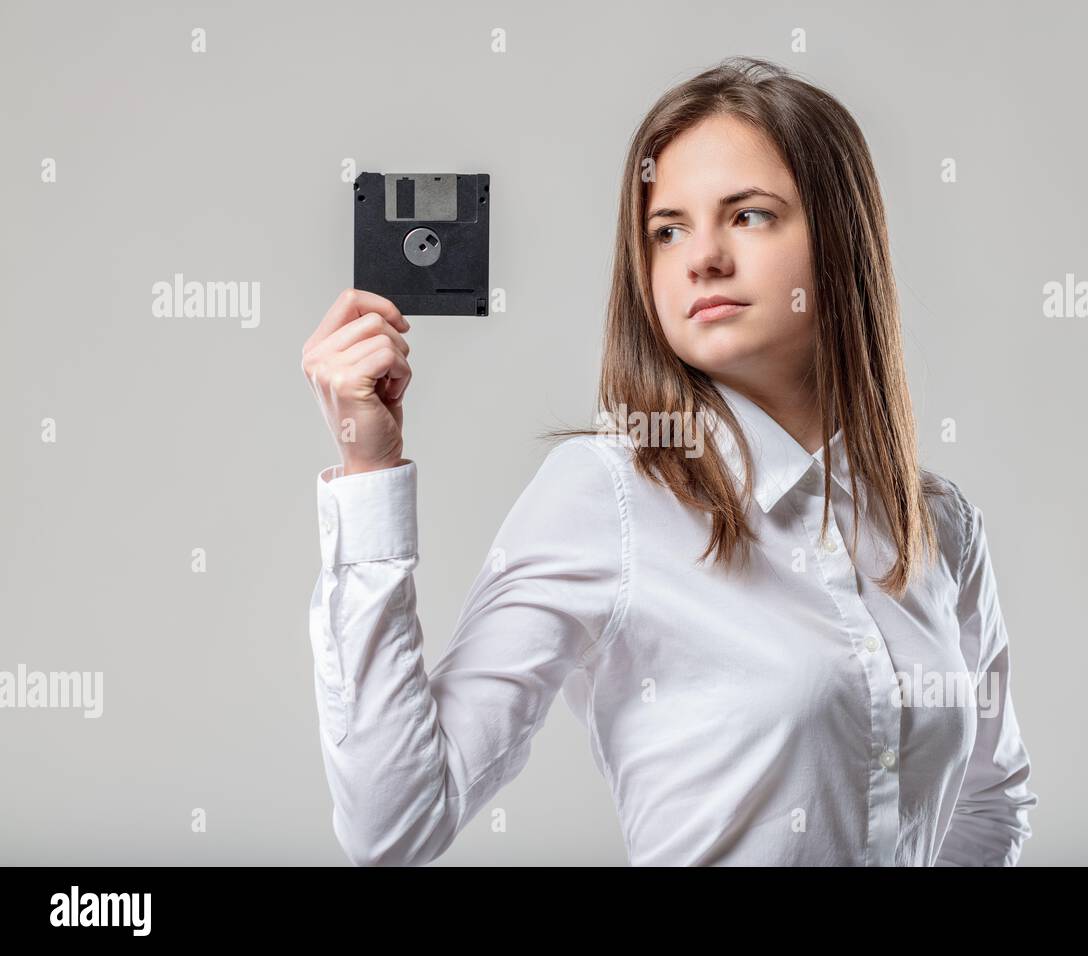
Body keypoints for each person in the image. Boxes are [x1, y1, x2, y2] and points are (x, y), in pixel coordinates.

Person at [300, 55, 1038, 866]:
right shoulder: (607, 497)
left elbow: (989, 803)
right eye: (668, 230)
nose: (702, 258)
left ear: (842, 235)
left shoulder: (939, 526)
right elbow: (393, 826)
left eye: (750, 216)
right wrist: (369, 472)